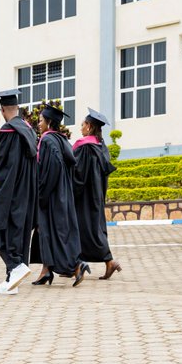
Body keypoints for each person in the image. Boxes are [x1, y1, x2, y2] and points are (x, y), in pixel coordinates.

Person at [0, 89, 38, 295]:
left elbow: (0, 161)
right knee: (18, 233)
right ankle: (10, 282)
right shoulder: (29, 131)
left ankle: (15, 266)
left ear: (3, 110)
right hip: (27, 192)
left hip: (10, 191)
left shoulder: (8, 132)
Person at [30, 104, 84, 287]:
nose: (38, 124)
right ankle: (45, 271)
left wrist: (42, 195)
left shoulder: (47, 141)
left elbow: (51, 170)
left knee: (52, 233)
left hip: (51, 196)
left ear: (49, 122)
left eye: (40, 121)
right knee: (47, 233)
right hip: (63, 194)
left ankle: (76, 266)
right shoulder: (61, 140)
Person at [73, 109, 121, 280]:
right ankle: (108, 263)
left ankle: (77, 266)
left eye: (83, 125)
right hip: (97, 196)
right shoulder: (101, 146)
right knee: (95, 229)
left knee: (81, 230)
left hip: (83, 197)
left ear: (90, 126)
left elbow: (77, 173)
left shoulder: (84, 146)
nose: (81, 128)